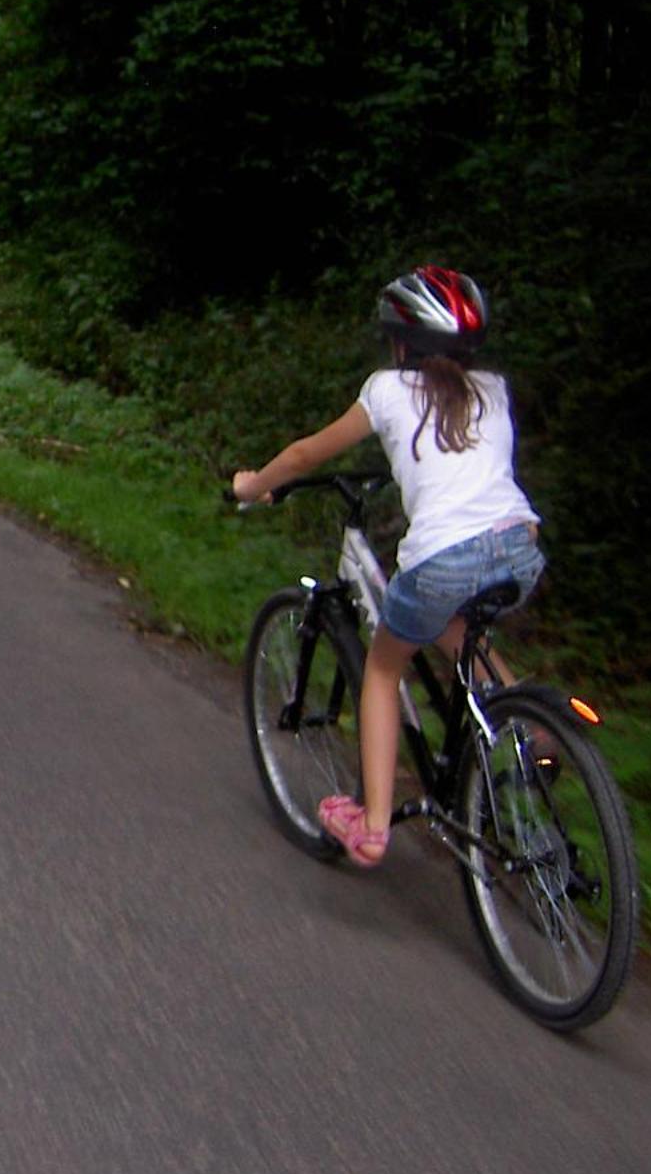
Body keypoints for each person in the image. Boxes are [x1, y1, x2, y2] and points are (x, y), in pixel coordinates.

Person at [231, 266, 544, 867]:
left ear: (400, 342)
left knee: (382, 669)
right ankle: (528, 728)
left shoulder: (385, 390)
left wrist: (254, 486)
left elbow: (303, 454)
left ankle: (372, 826)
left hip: (443, 558)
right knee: (453, 622)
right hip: (520, 548)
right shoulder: (495, 389)